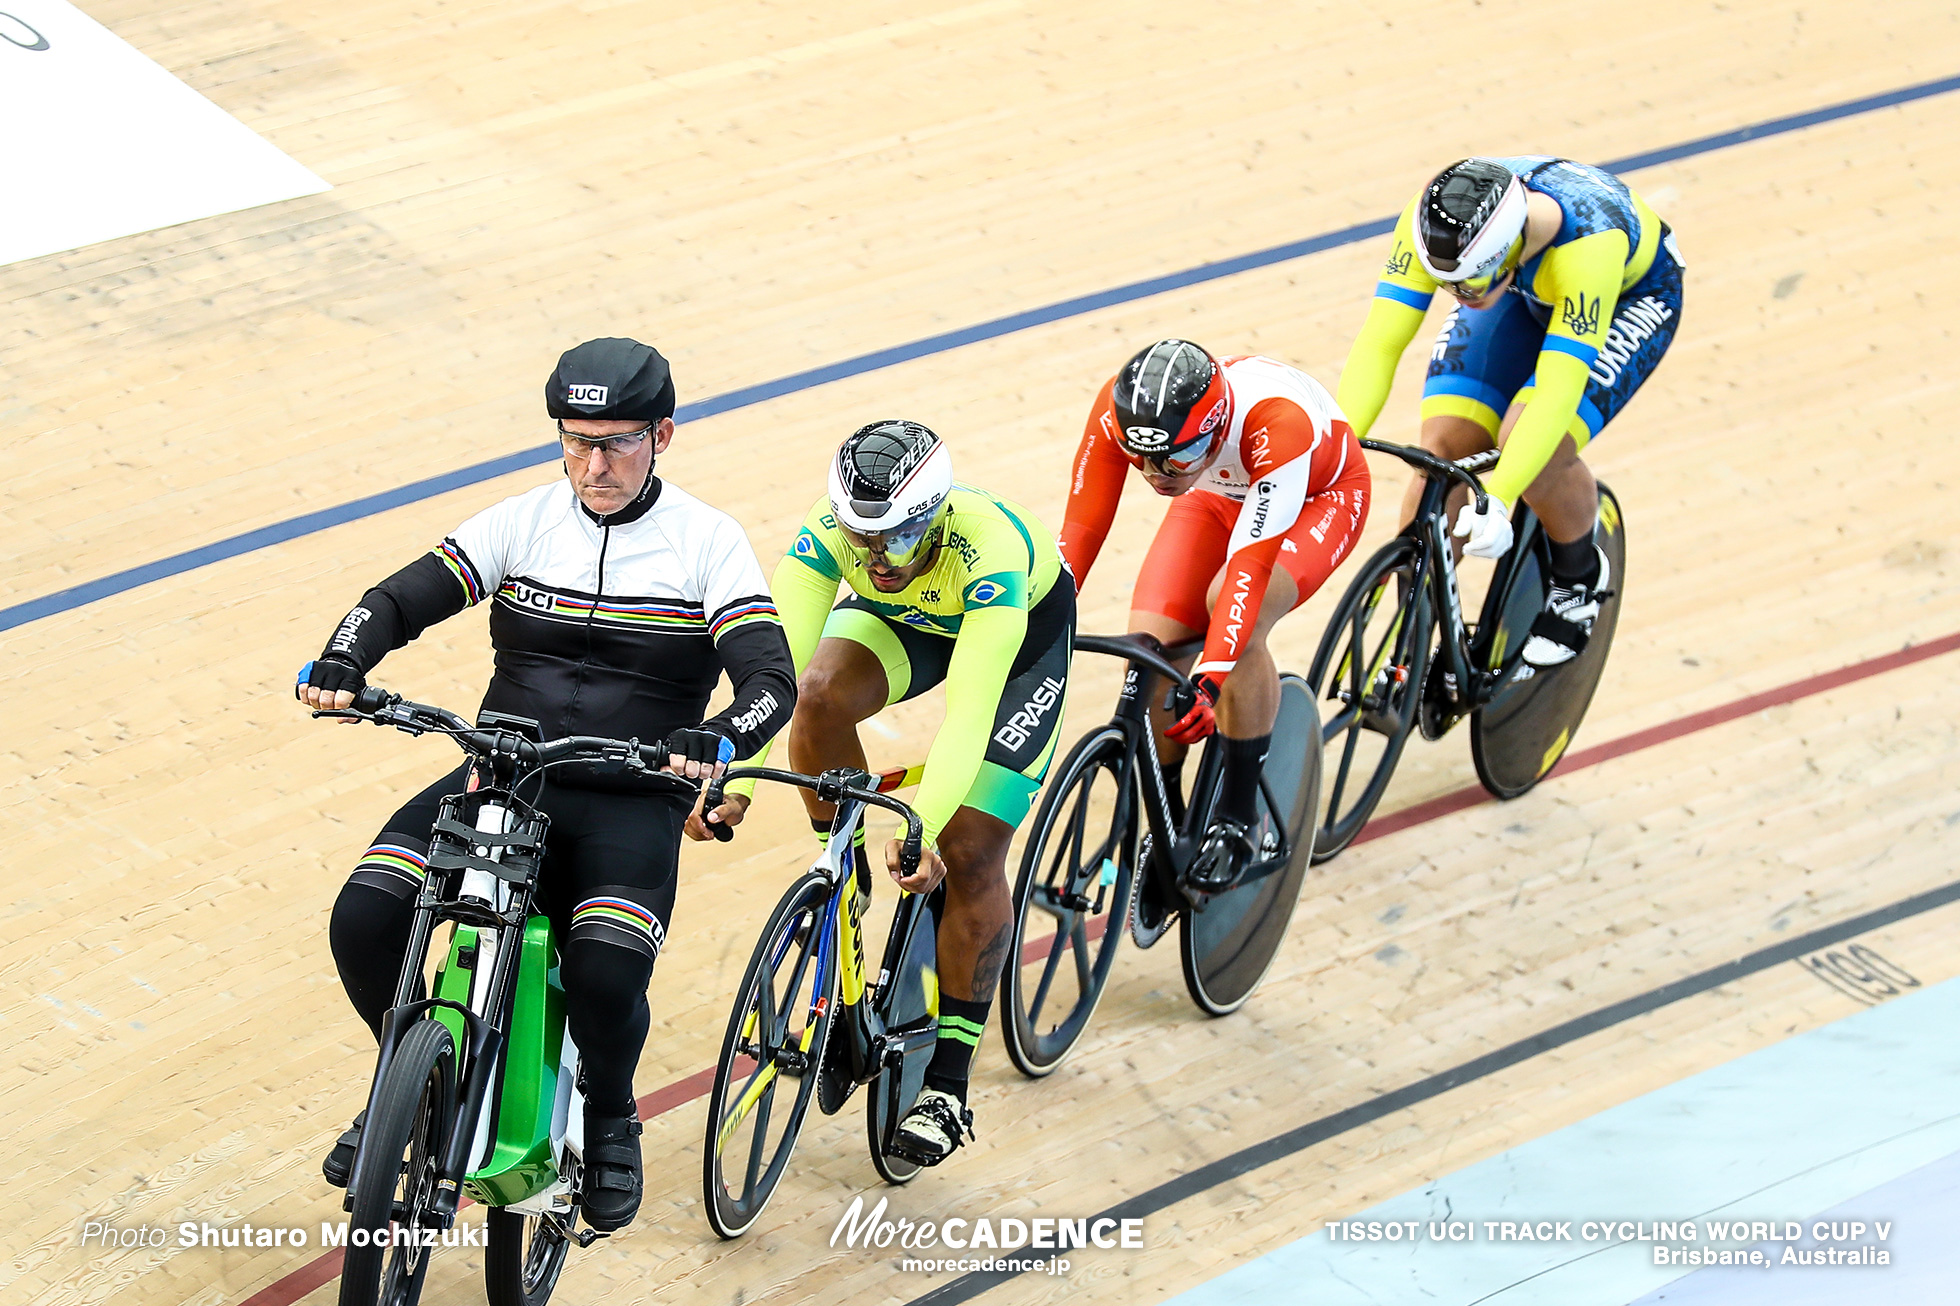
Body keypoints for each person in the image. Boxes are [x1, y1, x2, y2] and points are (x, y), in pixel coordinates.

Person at [295, 338, 795, 1232]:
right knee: (363, 916)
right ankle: (406, 1082)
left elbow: (771, 683)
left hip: (630, 795)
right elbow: (402, 596)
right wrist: (347, 653)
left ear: (664, 435)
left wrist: (716, 738)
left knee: (605, 973)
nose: (594, 466)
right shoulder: (523, 520)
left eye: (617, 444)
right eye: (575, 442)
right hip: (505, 773)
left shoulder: (706, 540)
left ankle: (610, 1112)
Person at [691, 420, 1073, 1165]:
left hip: (1014, 641)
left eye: (895, 538)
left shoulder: (991, 549)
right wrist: (734, 776)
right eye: (861, 540)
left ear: (930, 516)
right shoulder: (838, 534)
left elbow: (970, 711)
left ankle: (947, 1089)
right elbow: (774, 672)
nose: (876, 557)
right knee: (817, 696)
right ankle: (847, 887)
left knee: (967, 848)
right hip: (910, 623)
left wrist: (924, 824)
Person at [1060, 340, 1369, 924]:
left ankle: (1237, 814)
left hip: (1315, 499)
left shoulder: (1278, 423)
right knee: (1149, 651)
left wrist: (1213, 673)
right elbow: (1081, 527)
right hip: (1218, 493)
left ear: (1217, 423)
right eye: (1143, 461)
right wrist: (1042, 621)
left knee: (1232, 613)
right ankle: (1169, 823)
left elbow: (1248, 575)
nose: (1156, 477)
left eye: (1174, 459)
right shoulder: (1122, 411)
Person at [1337, 156, 1683, 666]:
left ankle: (1578, 579)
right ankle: (1414, 622)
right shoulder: (1433, 224)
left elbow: (1558, 389)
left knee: (1533, 448)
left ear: (1511, 246)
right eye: (1446, 286)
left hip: (1626, 297)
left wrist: (1498, 495)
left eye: (1469, 285)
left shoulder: (1589, 247)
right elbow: (1380, 342)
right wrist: (1333, 444)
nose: (1460, 298)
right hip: (1518, 291)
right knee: (1443, 452)